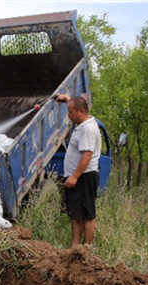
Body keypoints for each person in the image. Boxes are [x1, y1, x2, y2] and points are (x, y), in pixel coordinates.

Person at [55, 94, 102, 248]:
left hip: (84, 176)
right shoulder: (82, 123)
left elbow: (87, 154)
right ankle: (74, 247)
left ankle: (86, 249)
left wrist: (74, 176)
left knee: (87, 214)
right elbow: (76, 104)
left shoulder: (87, 129)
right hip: (78, 176)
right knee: (76, 214)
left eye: (71, 112)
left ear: (81, 111)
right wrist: (67, 99)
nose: (69, 115)